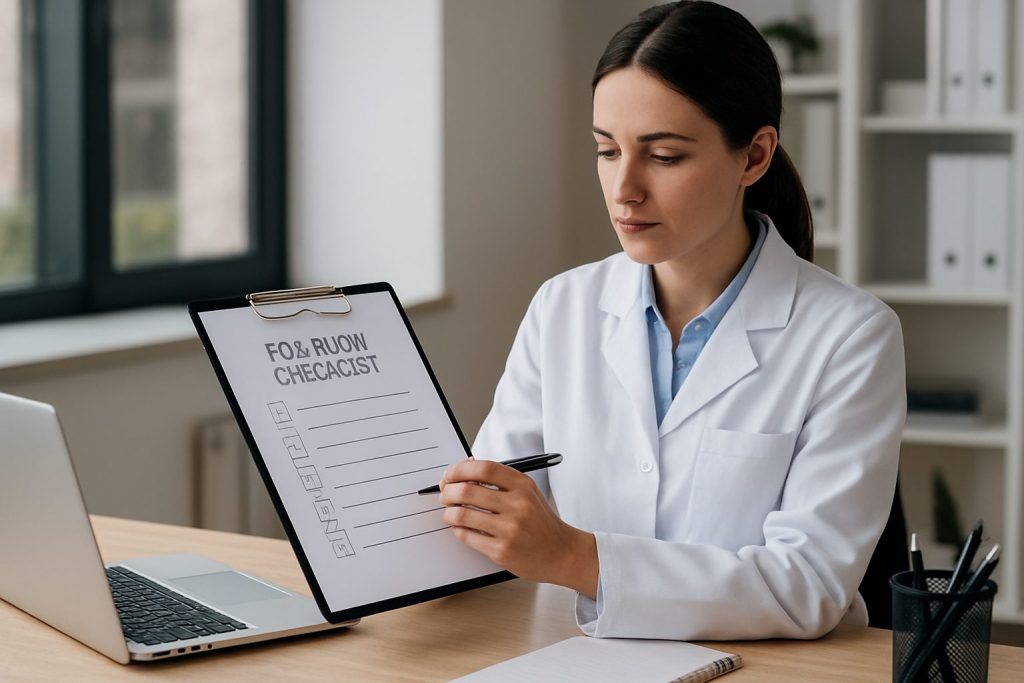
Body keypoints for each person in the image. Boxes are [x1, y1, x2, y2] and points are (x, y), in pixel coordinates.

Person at [436, 0, 906, 640]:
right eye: (607, 150)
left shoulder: (851, 336)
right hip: (574, 656)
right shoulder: (563, 307)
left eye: (663, 156)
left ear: (754, 156)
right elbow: (493, 513)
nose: (623, 187)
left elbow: (808, 586)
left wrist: (578, 558)